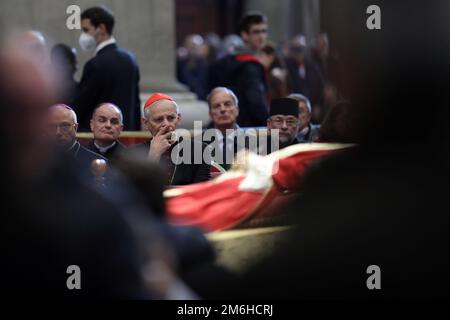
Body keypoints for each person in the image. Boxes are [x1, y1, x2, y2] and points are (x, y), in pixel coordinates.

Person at [72, 6, 140, 131]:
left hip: (101, 136)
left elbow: (81, 106)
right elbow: (135, 104)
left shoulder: (95, 64)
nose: (83, 36)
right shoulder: (130, 59)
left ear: (101, 28)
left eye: (86, 30)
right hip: (126, 134)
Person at [134, 93, 211, 186]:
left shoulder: (199, 150)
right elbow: (134, 193)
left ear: (178, 119)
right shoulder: (133, 153)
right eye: (159, 119)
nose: (166, 124)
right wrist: (153, 156)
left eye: (171, 118)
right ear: (146, 123)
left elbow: (202, 192)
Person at [208, 12, 269, 127]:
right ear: (245, 35)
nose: (261, 37)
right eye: (256, 32)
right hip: (248, 128)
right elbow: (256, 103)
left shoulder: (225, 62)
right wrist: (270, 123)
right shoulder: (251, 66)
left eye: (264, 31)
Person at [46, 104, 107, 177]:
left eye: (64, 126)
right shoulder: (35, 162)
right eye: (52, 127)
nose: (58, 132)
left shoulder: (98, 164)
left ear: (76, 128)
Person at [205, 87, 248, 170]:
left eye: (227, 104)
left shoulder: (253, 142)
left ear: (237, 110)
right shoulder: (199, 145)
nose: (223, 109)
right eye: (217, 106)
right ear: (210, 114)